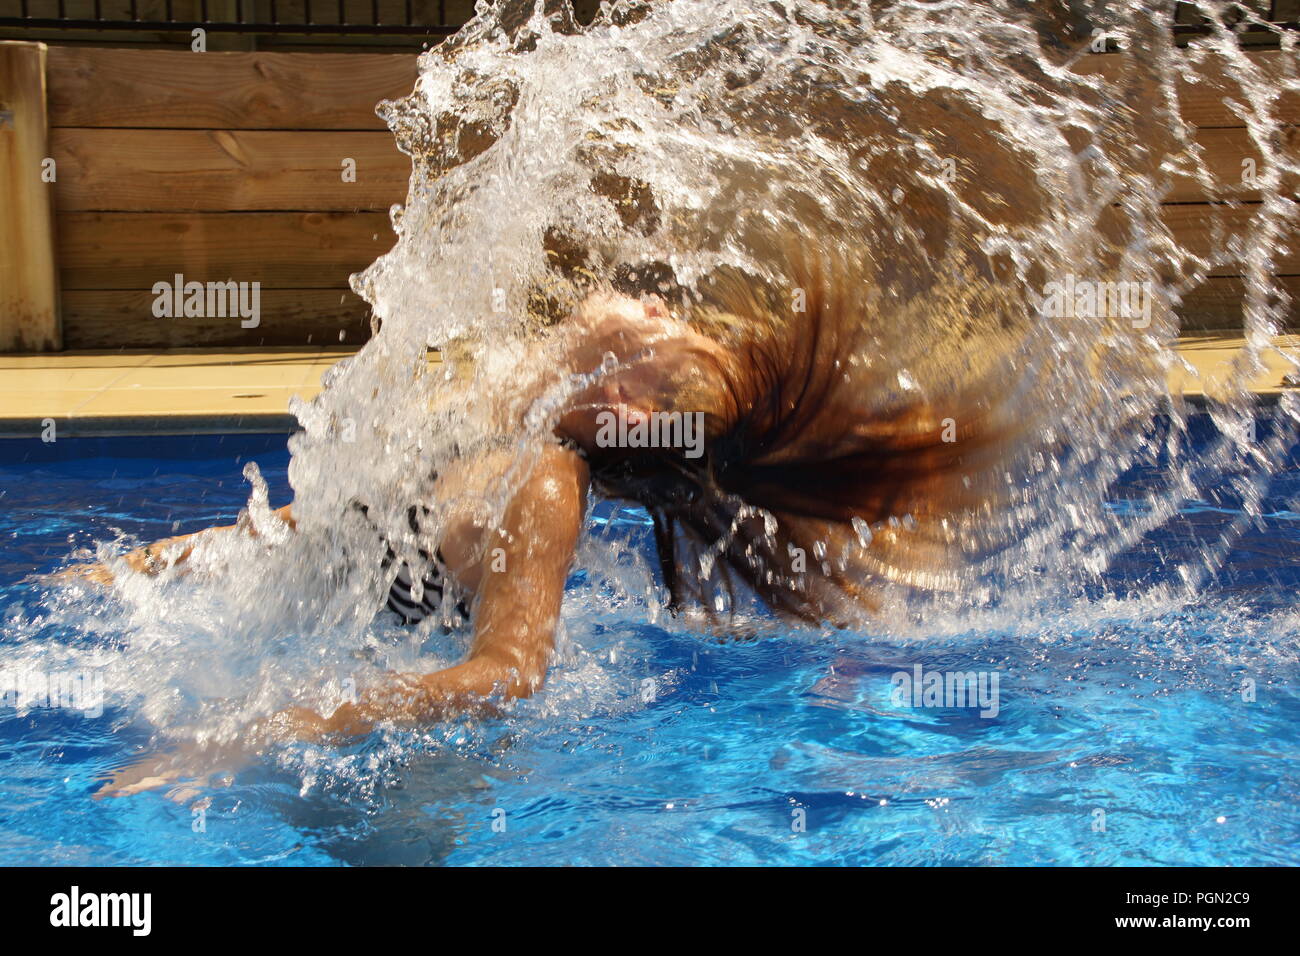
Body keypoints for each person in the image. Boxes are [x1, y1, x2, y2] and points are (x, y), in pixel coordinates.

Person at [81, 250, 1029, 794]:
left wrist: (264, 730)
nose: (656, 300)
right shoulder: (491, 426)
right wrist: (152, 566)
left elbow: (510, 672)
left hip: (400, 795)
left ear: (624, 396)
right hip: (296, 654)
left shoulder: (542, 482)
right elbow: (328, 530)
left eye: (666, 328)